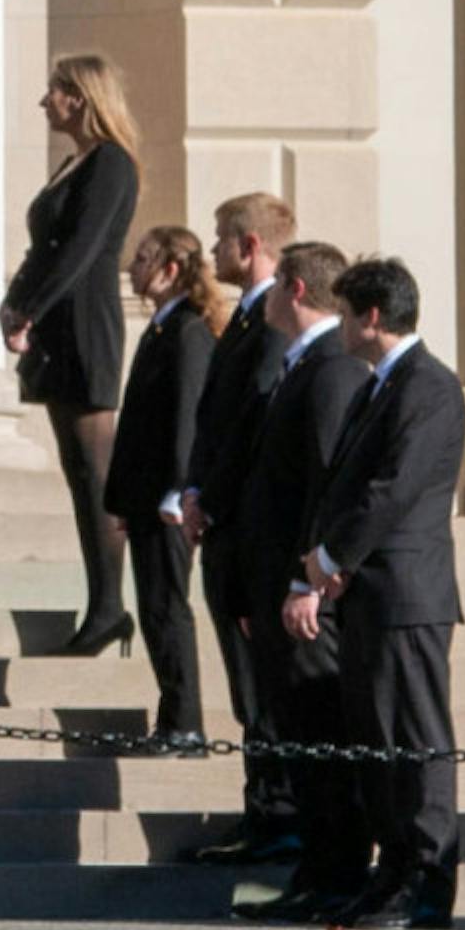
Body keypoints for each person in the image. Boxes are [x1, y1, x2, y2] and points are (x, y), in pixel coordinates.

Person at [295, 258, 465, 930]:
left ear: (371, 316)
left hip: (407, 596)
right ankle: (392, 872)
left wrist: (332, 556)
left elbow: (391, 489)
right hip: (370, 596)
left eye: (344, 313)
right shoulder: (380, 385)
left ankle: (426, 881)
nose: (337, 326)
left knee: (415, 741)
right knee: (377, 744)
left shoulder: (428, 386)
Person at [229, 241, 369, 923]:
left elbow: (324, 483)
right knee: (301, 740)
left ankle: (337, 874)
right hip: (277, 587)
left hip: (306, 596)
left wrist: (304, 581)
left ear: (291, 287)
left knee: (321, 739)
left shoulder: (330, 366)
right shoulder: (305, 362)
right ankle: (318, 870)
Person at [0, 54, 141, 656]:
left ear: (81, 97)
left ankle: (109, 606)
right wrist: (15, 304)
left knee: (97, 474)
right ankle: (101, 604)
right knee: (78, 470)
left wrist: (27, 306)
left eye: (54, 92)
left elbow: (79, 250)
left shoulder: (110, 163)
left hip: (84, 322)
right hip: (58, 324)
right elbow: (46, 248)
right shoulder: (74, 163)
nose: (44, 103)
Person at [179, 192, 299, 866]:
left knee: (262, 687)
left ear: (250, 245)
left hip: (249, 531)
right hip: (224, 525)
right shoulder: (244, 320)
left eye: (222, 237)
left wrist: (208, 497)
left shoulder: (274, 323)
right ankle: (263, 810)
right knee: (244, 687)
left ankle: (279, 817)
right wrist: (194, 490)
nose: (212, 248)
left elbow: (250, 421)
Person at [102, 227, 221, 752]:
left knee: (167, 608)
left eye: (144, 258)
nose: (133, 266)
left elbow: (189, 419)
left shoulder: (189, 332)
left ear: (171, 269)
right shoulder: (160, 329)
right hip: (148, 497)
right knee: (153, 608)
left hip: (169, 500)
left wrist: (179, 490)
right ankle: (172, 719)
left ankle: (184, 722)